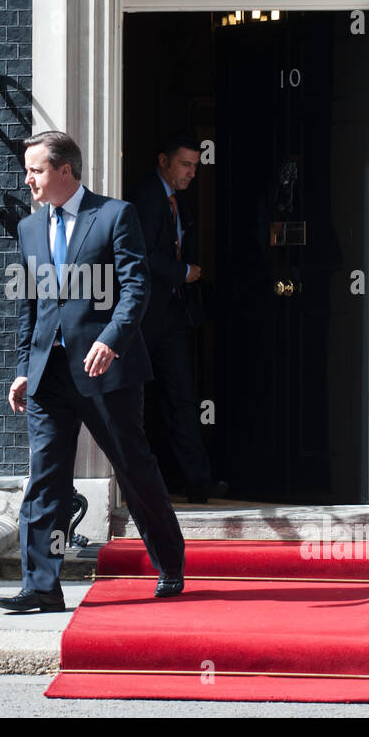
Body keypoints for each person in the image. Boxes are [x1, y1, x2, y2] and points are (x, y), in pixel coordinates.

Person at [0, 130, 187, 612]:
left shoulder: (115, 215)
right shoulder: (29, 228)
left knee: (133, 467)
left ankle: (169, 563)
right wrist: (23, 367)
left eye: (36, 170)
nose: (28, 179)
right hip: (48, 372)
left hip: (105, 369)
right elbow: (30, 308)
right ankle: (41, 585)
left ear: (66, 171)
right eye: (27, 170)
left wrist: (111, 339)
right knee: (46, 478)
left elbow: (135, 289)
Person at [129, 133, 228, 505]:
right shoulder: (146, 198)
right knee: (140, 400)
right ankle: (142, 485)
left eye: (196, 166)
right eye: (186, 165)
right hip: (143, 315)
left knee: (180, 396)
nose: (192, 173)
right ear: (164, 162)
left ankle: (197, 482)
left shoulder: (175, 201)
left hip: (170, 314)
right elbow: (142, 254)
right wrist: (183, 271)